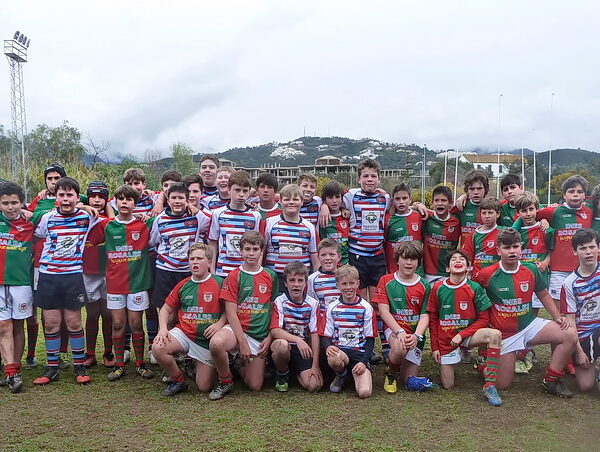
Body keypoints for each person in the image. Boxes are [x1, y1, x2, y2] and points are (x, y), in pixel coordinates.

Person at [474, 228, 578, 398]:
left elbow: (543, 294)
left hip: (529, 325)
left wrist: (557, 317)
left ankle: (551, 380)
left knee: (570, 334)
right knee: (502, 385)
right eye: (507, 248)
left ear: (521, 248)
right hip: (505, 335)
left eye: (515, 246)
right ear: (498, 250)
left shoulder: (530, 269)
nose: (512, 251)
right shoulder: (487, 274)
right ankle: (483, 364)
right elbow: (473, 297)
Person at [32, 177, 102, 385]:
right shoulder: (47, 218)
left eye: (69, 195)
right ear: (56, 197)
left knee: (73, 322)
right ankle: (51, 367)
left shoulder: (86, 217)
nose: (65, 199)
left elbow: (111, 213)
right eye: (61, 194)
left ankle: (79, 365)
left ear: (76, 197)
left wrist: (86, 205)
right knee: (52, 323)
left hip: (72, 276)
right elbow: (36, 235)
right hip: (48, 276)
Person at [208, 231, 278, 400]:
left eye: (255, 249)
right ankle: (225, 380)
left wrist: (269, 336)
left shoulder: (271, 275)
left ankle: (236, 364)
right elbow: (231, 313)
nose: (251, 253)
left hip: (259, 335)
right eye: (247, 249)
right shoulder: (233, 276)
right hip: (237, 330)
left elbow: (274, 309)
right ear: (240, 251)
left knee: (255, 386)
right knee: (216, 343)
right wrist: (242, 342)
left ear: (262, 251)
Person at [427, 250, 503, 406]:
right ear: (448, 268)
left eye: (462, 259)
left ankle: (489, 386)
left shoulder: (474, 287)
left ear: (468, 268)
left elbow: (484, 319)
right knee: (448, 386)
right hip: (447, 340)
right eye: (453, 259)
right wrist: (435, 347)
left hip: (468, 335)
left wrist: (462, 335)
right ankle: (481, 366)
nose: (457, 260)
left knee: (495, 335)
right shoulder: (437, 288)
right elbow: (433, 320)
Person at [96, 185, 155, 382]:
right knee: (119, 324)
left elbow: (166, 215)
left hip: (137, 284)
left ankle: (140, 364)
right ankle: (119, 365)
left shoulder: (144, 224)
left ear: (135, 204)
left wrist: (159, 198)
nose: (124, 202)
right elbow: (86, 224)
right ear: (115, 203)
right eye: (120, 199)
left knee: (137, 323)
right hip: (114, 284)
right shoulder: (107, 225)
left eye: (129, 199)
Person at [153, 243, 226, 397]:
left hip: (206, 340)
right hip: (184, 333)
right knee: (158, 347)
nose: (194, 262)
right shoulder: (183, 285)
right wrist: (163, 329)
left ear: (209, 261)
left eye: (199, 258)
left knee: (204, 386)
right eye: (191, 259)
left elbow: (230, 311)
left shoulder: (220, 283)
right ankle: (178, 380)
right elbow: (165, 309)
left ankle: (205, 364)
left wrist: (219, 324)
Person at [372, 242, 432, 394]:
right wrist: (399, 331)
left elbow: (425, 315)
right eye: (405, 258)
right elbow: (384, 311)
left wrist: (417, 336)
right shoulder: (386, 281)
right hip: (395, 330)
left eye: (413, 259)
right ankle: (391, 373)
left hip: (415, 333)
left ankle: (397, 365)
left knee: (408, 380)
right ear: (397, 260)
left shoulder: (424, 285)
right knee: (399, 348)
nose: (409, 262)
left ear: (418, 262)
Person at [0, 182, 38, 392]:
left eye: (14, 202)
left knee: (17, 326)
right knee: (3, 326)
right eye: (5, 203)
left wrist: (86, 205)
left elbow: (56, 207)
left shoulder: (31, 221)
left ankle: (16, 368)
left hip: (22, 282)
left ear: (22, 202)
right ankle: (10, 372)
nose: (10, 207)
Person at [512, 192, 554, 373]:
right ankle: (518, 348)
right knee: (520, 314)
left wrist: (545, 262)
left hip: (539, 278)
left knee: (533, 316)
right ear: (518, 213)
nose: (528, 213)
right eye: (524, 210)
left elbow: (552, 250)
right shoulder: (516, 231)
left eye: (531, 209)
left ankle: (528, 350)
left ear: (537, 210)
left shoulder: (546, 229)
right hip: (521, 279)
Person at [321, 265, 377, 398]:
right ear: (338, 285)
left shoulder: (366, 308)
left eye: (352, 283)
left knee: (364, 392)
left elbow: (370, 338)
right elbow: (326, 334)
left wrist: (363, 362)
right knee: (334, 358)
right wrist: (327, 346)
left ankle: (353, 374)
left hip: (359, 354)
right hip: (341, 352)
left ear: (357, 283)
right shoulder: (332, 307)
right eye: (344, 284)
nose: (348, 287)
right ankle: (342, 375)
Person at [270, 262, 322, 393]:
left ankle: (293, 373)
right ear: (286, 283)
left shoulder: (313, 304)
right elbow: (275, 330)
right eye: (292, 280)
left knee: (314, 386)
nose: (296, 284)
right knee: (281, 346)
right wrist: (297, 340)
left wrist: (315, 365)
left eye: (300, 280)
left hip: (303, 350)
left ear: (306, 283)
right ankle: (282, 373)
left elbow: (315, 333)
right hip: (285, 344)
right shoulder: (279, 301)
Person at [344, 158, 391, 300]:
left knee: (377, 299)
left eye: (373, 176)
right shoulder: (351, 196)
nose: (369, 179)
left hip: (377, 256)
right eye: (365, 176)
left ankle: (376, 322)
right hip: (357, 256)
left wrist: (419, 205)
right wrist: (324, 207)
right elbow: (331, 199)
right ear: (359, 179)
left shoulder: (385, 199)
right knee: (361, 299)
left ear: (379, 179)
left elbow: (403, 206)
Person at [560, 228, 600, 393]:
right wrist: (578, 352)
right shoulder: (569, 283)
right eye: (583, 248)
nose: (588, 252)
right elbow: (569, 322)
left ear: (599, 247)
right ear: (574, 251)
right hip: (584, 335)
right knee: (586, 386)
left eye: (592, 247)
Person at [82, 181, 114, 368]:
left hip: (108, 273)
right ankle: (90, 352)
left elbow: (112, 223)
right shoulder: (80, 215)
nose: (96, 200)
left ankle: (108, 351)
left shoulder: (110, 219)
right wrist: (83, 205)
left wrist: (109, 206)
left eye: (101, 197)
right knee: (92, 314)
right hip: (88, 272)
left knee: (108, 314)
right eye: (92, 197)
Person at [264, 184, 319, 291]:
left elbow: (314, 256)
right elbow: (262, 251)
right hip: (276, 277)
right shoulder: (270, 223)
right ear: (280, 201)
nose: (291, 202)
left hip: (300, 278)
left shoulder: (309, 227)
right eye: (287, 199)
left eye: (295, 199)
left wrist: (315, 280)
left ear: (302, 201)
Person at [208, 170, 261, 278]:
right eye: (237, 190)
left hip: (246, 272)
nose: (241, 194)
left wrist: (257, 269)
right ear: (229, 189)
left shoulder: (255, 216)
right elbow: (213, 244)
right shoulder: (218, 214)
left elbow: (258, 246)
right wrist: (212, 271)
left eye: (245, 191)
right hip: (222, 271)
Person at [423, 185, 461, 283]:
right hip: (428, 274)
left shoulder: (457, 221)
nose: (440, 203)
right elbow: (407, 209)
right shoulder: (426, 217)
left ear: (450, 203)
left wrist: (463, 196)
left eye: (443, 200)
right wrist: (418, 205)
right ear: (432, 203)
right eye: (436, 200)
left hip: (449, 273)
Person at [384, 183, 423, 274]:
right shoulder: (387, 218)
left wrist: (419, 205)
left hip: (416, 271)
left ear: (410, 199)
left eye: (404, 198)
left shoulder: (419, 215)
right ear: (392, 200)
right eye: (397, 199)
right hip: (394, 270)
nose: (401, 202)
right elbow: (383, 244)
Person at [460, 197, 502, 279]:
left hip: (497, 279)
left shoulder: (502, 233)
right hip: (477, 278)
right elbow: (467, 258)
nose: (487, 216)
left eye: (490, 213)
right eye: (484, 213)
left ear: (498, 214)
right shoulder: (474, 234)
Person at [308, 239, 343, 333]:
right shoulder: (312, 279)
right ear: (318, 257)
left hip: (343, 322)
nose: (327, 258)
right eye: (323, 255)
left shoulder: (345, 276)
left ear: (339, 257)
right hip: (321, 325)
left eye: (332, 254)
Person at [452, 169, 489, 245]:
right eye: (472, 189)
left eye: (479, 188)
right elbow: (442, 217)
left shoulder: (493, 207)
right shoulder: (461, 206)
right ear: (467, 190)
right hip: (466, 254)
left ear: (485, 189)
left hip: (484, 254)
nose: (475, 192)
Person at [319, 180, 349, 265]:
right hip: (326, 264)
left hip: (345, 264)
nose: (334, 200)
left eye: (337, 197)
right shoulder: (320, 215)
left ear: (342, 198)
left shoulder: (347, 216)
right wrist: (323, 206)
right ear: (324, 199)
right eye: (330, 197)